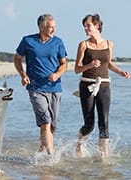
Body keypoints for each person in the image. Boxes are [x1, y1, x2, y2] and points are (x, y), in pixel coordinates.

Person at [74, 13, 130, 158]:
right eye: (84, 26)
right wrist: (90, 65)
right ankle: (79, 142)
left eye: (88, 25)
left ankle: (103, 158)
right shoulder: (83, 45)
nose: (86, 29)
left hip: (104, 85)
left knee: (104, 122)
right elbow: (77, 69)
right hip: (87, 86)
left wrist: (120, 72)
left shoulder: (109, 44)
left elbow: (109, 64)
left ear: (97, 25)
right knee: (89, 125)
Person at [14, 14, 67, 155]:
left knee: (52, 125)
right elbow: (17, 59)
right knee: (45, 121)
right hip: (35, 88)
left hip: (55, 88)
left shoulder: (58, 42)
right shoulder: (28, 41)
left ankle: (42, 149)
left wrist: (56, 74)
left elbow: (64, 64)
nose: (54, 30)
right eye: (51, 27)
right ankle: (51, 157)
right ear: (41, 27)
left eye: (54, 27)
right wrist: (23, 75)